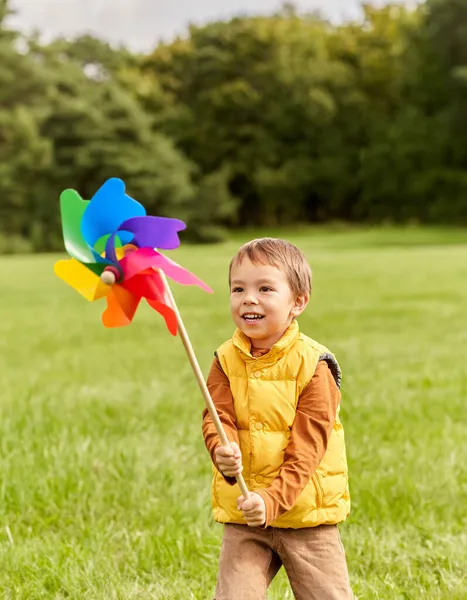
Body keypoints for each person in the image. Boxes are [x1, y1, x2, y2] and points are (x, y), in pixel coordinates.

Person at [202, 238, 353, 600]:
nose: (248, 299)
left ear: (298, 302)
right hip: (246, 516)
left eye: (265, 288)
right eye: (238, 288)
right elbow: (217, 418)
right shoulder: (225, 359)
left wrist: (272, 500)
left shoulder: (315, 365)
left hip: (305, 516)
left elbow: (309, 450)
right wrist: (223, 452)